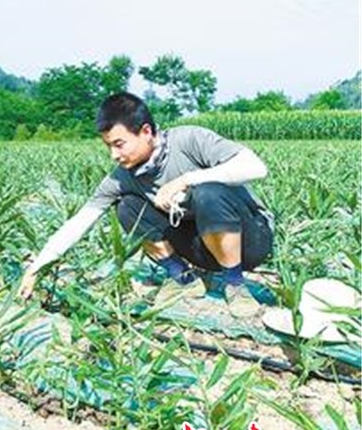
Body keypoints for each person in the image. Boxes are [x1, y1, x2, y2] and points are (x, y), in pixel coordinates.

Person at [18, 92, 274, 318]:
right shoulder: (122, 177)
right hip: (202, 248)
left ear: (146, 132)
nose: (114, 155)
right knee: (128, 207)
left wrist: (186, 180)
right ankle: (183, 278)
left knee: (208, 192)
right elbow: (81, 221)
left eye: (119, 144)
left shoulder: (190, 140)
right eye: (108, 146)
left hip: (250, 241)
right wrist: (38, 266)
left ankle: (235, 284)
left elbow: (255, 167)